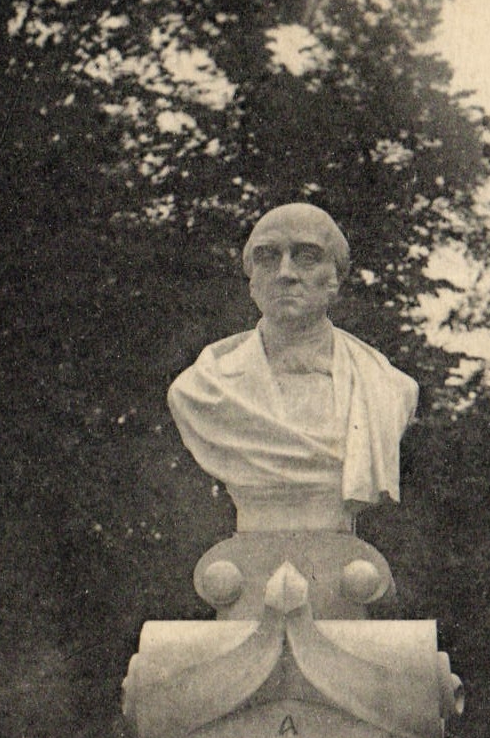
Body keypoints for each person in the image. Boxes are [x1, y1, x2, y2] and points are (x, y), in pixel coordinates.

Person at [167, 204, 418, 531]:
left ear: (334, 278)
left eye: (307, 256)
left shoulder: (389, 388)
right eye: (268, 257)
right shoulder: (202, 389)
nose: (285, 272)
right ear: (252, 281)